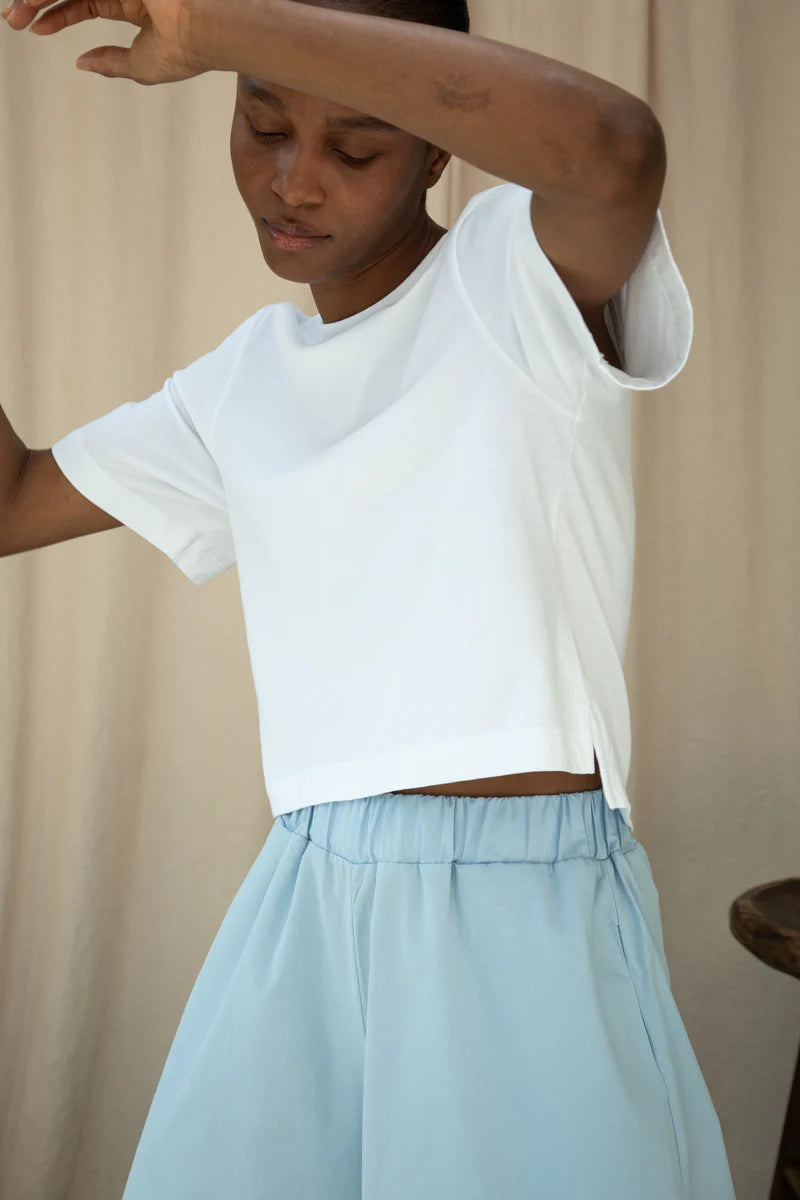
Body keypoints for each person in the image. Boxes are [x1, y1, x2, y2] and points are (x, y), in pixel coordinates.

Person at [1, 0, 737, 1195]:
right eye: (259, 121)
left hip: (519, 904)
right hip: (306, 895)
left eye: (356, 148)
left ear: (437, 149)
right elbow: (12, 502)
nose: (292, 182)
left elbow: (613, 148)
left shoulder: (516, 280)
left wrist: (223, 26)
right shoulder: (239, 386)